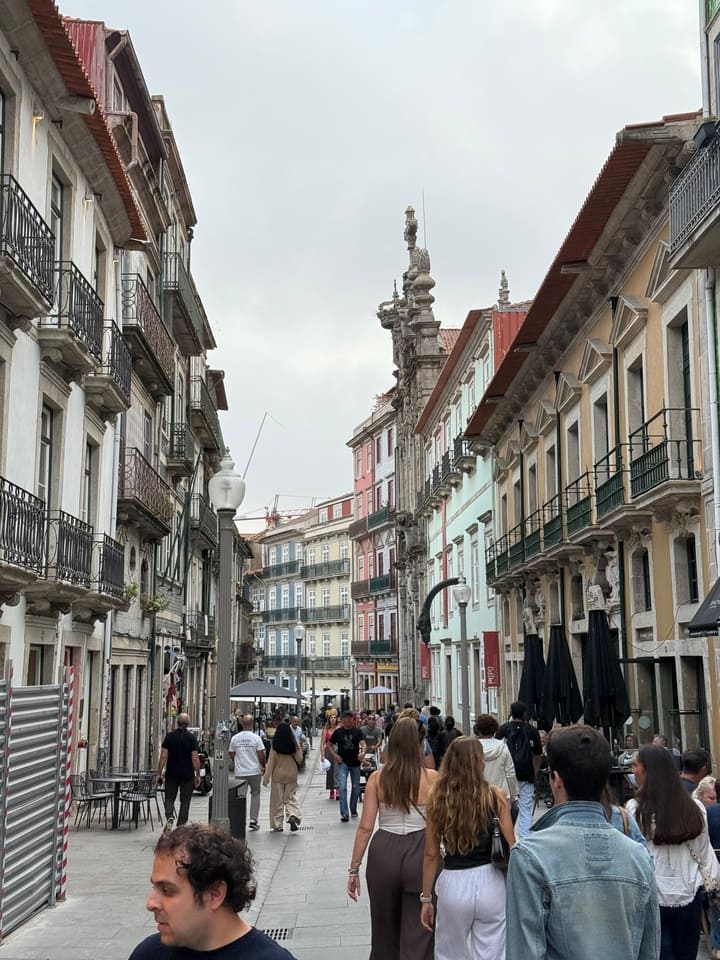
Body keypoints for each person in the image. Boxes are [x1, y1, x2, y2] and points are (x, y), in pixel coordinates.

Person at [506, 726, 659, 960]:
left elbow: (524, 952)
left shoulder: (530, 856)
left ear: (556, 780)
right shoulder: (639, 856)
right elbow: (649, 951)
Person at [130, 824, 297, 959]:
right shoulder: (149, 953)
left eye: (167, 890)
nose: (151, 903)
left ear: (215, 894)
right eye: (155, 888)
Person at [346, 717, 438, 960]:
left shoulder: (378, 778)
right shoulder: (433, 780)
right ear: (420, 744)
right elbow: (438, 833)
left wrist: (353, 869)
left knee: (383, 930)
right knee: (420, 930)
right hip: (420, 848)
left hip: (384, 850)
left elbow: (365, 828)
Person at [420, 737, 515, 960]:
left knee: (450, 952)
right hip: (491, 882)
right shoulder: (495, 796)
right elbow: (512, 846)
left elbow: (431, 854)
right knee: (494, 951)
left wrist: (426, 899)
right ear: (479, 762)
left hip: (453, 882)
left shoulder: (437, 798)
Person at [627, 745, 719, 960]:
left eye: (636, 765)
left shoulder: (635, 809)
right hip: (690, 891)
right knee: (686, 953)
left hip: (653, 894)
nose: (633, 771)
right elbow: (704, 852)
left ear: (649, 770)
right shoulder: (695, 807)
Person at [495, 701, 542, 837]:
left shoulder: (504, 729)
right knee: (525, 807)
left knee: (506, 807)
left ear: (511, 712)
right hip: (527, 772)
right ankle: (525, 837)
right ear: (525, 714)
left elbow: (497, 748)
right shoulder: (532, 731)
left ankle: (507, 836)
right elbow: (538, 754)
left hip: (508, 773)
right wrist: (535, 771)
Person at [156, 713, 200, 829]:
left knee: (169, 797)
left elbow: (164, 755)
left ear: (177, 723)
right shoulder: (191, 738)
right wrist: (198, 774)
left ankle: (170, 816)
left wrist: (159, 773)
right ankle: (181, 825)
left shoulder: (170, 736)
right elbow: (195, 757)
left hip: (172, 773)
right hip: (187, 774)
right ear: (189, 723)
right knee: (185, 801)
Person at [262, 721, 303, 832]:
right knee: (291, 798)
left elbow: (270, 763)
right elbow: (299, 759)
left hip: (278, 776)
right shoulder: (294, 745)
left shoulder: (275, 746)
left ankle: (278, 824)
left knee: (277, 801)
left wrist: (265, 779)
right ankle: (293, 815)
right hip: (291, 776)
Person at [327, 710, 367, 822]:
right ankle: (344, 813)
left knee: (355, 788)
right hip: (342, 762)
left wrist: (362, 753)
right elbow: (329, 744)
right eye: (345, 718)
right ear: (342, 719)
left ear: (352, 719)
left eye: (350, 718)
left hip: (355, 763)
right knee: (343, 787)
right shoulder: (338, 732)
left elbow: (363, 743)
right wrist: (335, 755)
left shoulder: (357, 731)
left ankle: (353, 808)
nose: (348, 720)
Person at [228, 714, 266, 832]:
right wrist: (263, 766)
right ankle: (253, 820)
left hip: (240, 772)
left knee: (240, 796)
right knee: (256, 794)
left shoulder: (235, 738)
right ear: (252, 724)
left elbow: (231, 753)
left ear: (242, 724)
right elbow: (261, 754)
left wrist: (237, 762)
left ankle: (241, 819)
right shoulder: (256, 738)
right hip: (254, 771)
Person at [473, 714, 518, 803]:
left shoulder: (473, 747)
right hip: (501, 793)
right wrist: (514, 794)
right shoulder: (502, 747)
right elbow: (510, 772)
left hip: (479, 795)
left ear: (478, 729)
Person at [322, 712, 340, 799]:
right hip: (328, 751)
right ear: (329, 720)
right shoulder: (326, 730)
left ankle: (337, 790)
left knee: (337, 770)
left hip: (337, 751)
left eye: (334, 718)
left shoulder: (339, 728)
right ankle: (331, 790)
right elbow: (322, 743)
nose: (333, 719)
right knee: (330, 771)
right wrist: (322, 755)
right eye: (331, 718)